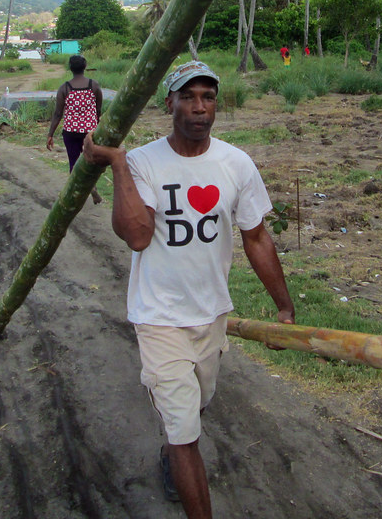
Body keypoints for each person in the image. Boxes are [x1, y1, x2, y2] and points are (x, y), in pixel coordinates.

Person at [83, 60, 295, 518]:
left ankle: (172, 444)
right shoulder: (142, 162)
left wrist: (284, 308)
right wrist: (118, 163)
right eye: (189, 97)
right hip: (158, 316)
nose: (200, 108)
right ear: (170, 103)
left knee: (196, 407)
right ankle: (178, 453)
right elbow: (137, 236)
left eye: (208, 97)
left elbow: (256, 236)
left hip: (212, 313)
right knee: (185, 434)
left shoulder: (236, 164)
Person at [47, 55, 103, 204]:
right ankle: (92, 186)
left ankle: (74, 196)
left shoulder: (65, 88)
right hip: (89, 132)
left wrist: (50, 134)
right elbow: (98, 110)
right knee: (90, 161)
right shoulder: (94, 85)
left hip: (71, 132)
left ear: (70, 68)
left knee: (73, 162)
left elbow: (58, 113)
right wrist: (95, 126)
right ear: (85, 66)